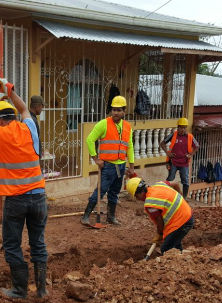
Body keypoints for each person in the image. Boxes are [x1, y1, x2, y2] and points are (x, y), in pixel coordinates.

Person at [0, 77, 48, 303]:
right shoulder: (29, 127)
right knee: (38, 242)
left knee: (11, 244)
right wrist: (9, 89)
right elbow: (25, 108)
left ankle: (19, 289)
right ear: (14, 117)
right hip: (38, 196)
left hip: (16, 200)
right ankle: (42, 290)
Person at [81, 96, 135, 226]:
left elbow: (130, 146)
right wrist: (96, 159)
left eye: (118, 110)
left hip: (121, 165)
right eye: (113, 109)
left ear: (124, 111)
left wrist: (131, 166)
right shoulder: (103, 124)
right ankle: (86, 216)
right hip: (108, 166)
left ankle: (111, 217)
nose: (115, 112)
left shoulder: (127, 127)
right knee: (100, 191)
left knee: (115, 192)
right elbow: (89, 140)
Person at [126, 177, 193, 254]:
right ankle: (184, 257)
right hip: (187, 214)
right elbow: (176, 184)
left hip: (181, 222)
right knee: (174, 243)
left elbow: (159, 221)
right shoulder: (159, 184)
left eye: (136, 196)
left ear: (140, 193)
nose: (137, 199)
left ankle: (183, 259)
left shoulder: (151, 203)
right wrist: (181, 197)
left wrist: (159, 234)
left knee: (166, 249)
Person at [159, 118, 198, 198]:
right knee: (170, 178)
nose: (182, 129)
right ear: (178, 127)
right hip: (173, 162)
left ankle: (184, 198)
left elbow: (197, 146)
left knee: (185, 181)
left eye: (184, 127)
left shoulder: (190, 137)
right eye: (181, 127)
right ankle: (166, 196)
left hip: (184, 163)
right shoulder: (173, 135)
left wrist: (191, 154)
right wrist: (167, 153)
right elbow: (162, 143)